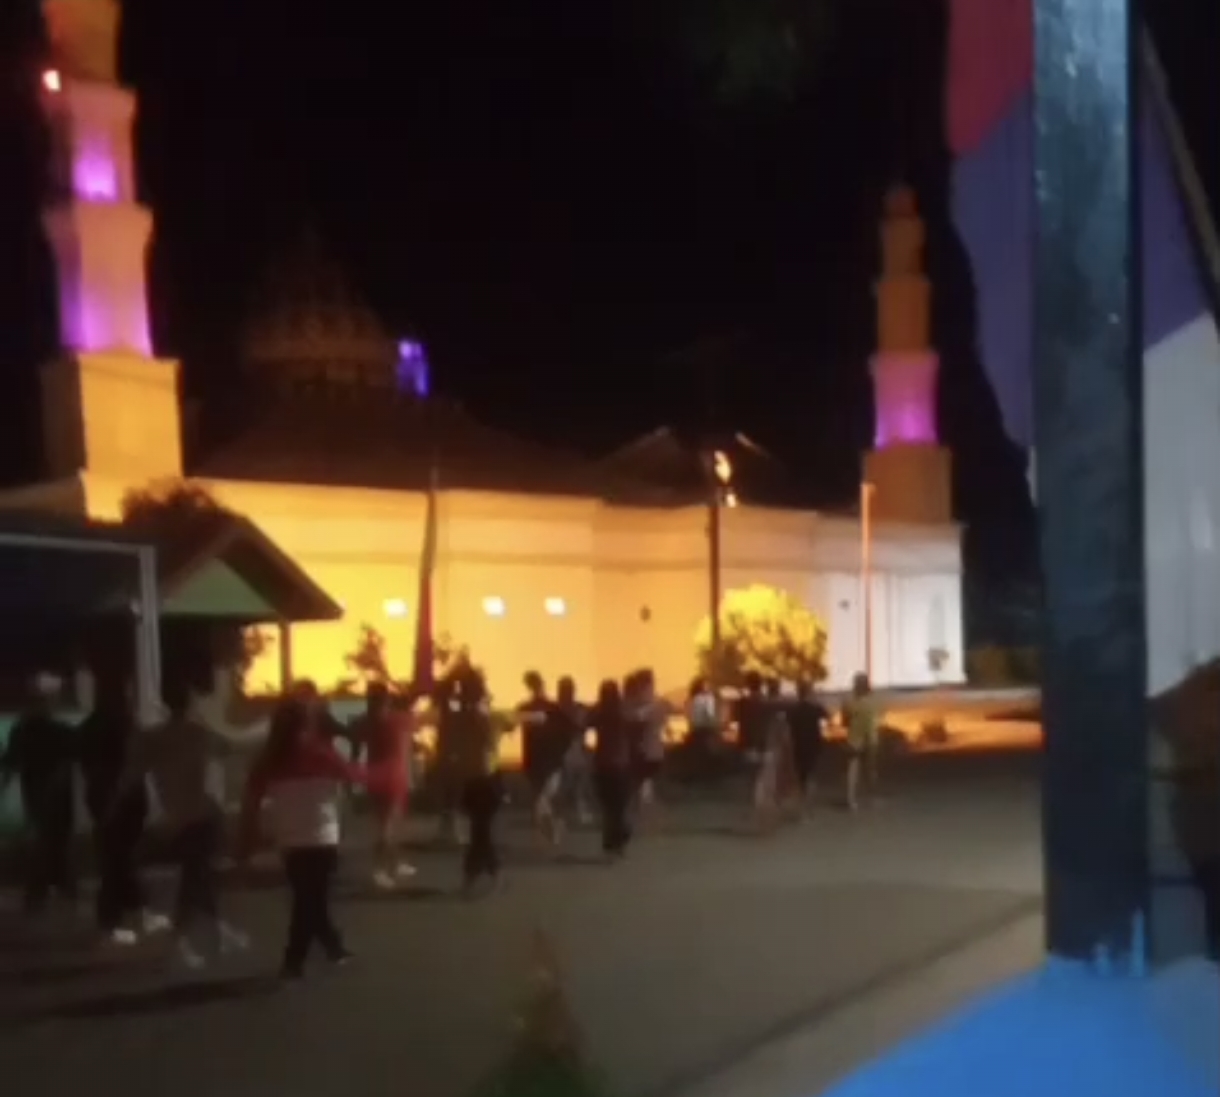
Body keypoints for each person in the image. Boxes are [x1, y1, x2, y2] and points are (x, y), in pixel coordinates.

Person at [112, 678, 253, 969]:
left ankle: (215, 934)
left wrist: (112, 808)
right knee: (196, 879)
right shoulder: (197, 733)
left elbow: (129, 777)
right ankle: (183, 941)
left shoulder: (152, 738)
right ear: (190, 702)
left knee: (200, 876)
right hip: (201, 816)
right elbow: (234, 745)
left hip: (175, 818)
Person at [239, 696, 367, 981]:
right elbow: (351, 776)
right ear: (307, 723)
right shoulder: (321, 753)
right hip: (322, 835)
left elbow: (252, 801)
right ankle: (294, 961)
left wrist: (248, 838)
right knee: (310, 899)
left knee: (309, 897)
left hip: (290, 839)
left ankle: (332, 948)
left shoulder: (269, 759)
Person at [78, 681, 169, 946]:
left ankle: (136, 910)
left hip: (106, 798)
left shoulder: (90, 728)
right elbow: (134, 763)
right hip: (122, 800)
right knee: (117, 860)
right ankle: (112, 920)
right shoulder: (122, 727)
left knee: (118, 858)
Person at [0, 674, 78, 915]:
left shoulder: (23, 730)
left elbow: (11, 763)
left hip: (39, 794)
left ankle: (44, 892)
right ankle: (55, 890)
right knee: (55, 842)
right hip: (56, 795)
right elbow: (73, 759)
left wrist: (5, 785)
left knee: (45, 842)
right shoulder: (59, 730)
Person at [450, 670, 503, 895]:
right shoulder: (481, 717)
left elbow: (458, 748)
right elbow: (490, 744)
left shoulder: (463, 718)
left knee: (479, 831)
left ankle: (475, 876)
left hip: (476, 779)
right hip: (484, 778)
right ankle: (486, 874)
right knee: (481, 831)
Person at [362, 686, 417, 888]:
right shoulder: (397, 721)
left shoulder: (367, 723)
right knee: (387, 826)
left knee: (388, 823)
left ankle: (394, 864)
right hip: (392, 778)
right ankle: (380, 869)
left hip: (377, 776)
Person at [517, 671, 567, 843]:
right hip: (550, 759)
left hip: (534, 759)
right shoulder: (553, 708)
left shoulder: (524, 708)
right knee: (543, 798)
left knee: (540, 798)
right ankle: (550, 831)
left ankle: (548, 832)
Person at [589, 679, 631, 859]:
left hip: (602, 763)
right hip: (620, 763)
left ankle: (610, 843)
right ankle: (620, 840)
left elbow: (583, 724)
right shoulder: (623, 711)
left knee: (608, 807)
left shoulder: (598, 711)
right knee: (619, 806)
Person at [555, 676, 593, 827]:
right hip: (574, 751)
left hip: (567, 752)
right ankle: (575, 813)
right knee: (575, 786)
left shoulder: (556, 710)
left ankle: (563, 816)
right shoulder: (579, 709)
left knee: (569, 786)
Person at [841, 672, 881, 812]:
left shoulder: (848, 702)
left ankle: (851, 800)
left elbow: (844, 722)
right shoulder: (874, 701)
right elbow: (878, 720)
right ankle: (871, 799)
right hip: (871, 738)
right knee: (870, 770)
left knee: (852, 769)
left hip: (854, 739)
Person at [788, 680, 828, 817]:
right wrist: (818, 700)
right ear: (810, 693)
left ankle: (801, 807)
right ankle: (808, 807)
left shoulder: (793, 710)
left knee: (800, 776)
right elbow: (827, 717)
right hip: (813, 745)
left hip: (797, 745)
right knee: (811, 775)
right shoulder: (815, 709)